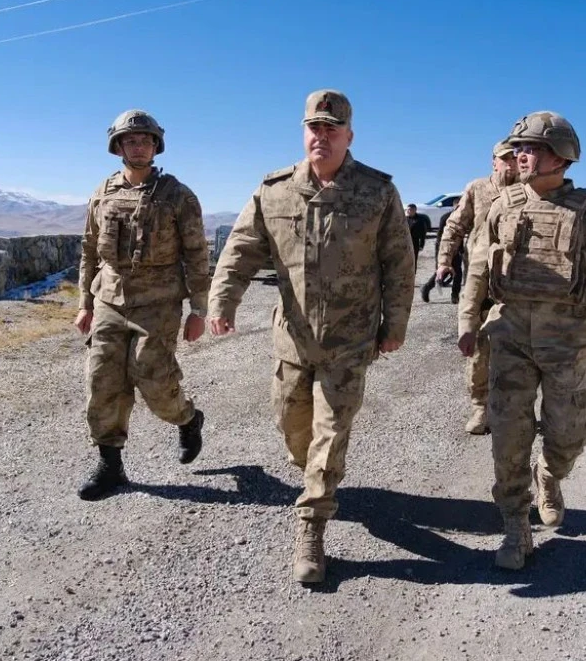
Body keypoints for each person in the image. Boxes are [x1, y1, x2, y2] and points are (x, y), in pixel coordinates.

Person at [207, 89, 415, 584]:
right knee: (291, 425)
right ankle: (316, 475)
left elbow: (399, 265)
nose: (321, 136)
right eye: (313, 128)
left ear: (349, 135)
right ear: (304, 132)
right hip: (292, 340)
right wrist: (221, 302)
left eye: (331, 128)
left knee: (330, 432)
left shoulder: (377, 192)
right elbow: (240, 251)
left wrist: (395, 326)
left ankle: (312, 526)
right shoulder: (274, 189)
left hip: (350, 339)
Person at [458, 111, 586, 570]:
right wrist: (466, 323)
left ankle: (551, 474)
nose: (520, 154)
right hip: (510, 336)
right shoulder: (502, 204)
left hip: (568, 342)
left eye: (531, 148)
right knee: (508, 437)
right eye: (518, 147)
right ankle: (516, 528)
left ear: (560, 157)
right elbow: (478, 269)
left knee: (568, 433)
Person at [74, 109, 209, 501]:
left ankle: (187, 418)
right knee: (102, 385)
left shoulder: (178, 196)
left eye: (145, 140)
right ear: (118, 146)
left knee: (155, 383)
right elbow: (87, 252)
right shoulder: (102, 193)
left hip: (159, 303)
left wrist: (198, 310)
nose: (138, 146)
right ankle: (111, 467)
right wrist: (84, 303)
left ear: (156, 146)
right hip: (109, 301)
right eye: (130, 140)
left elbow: (197, 255)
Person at [434, 139, 518, 433]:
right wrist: (445, 260)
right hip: (480, 276)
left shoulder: (530, 191)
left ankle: (513, 408)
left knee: (518, 347)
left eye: (515, 157)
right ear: (494, 161)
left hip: (518, 280)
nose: (511, 163)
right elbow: (455, 226)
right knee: (477, 345)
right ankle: (480, 407)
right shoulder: (478, 188)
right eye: (505, 158)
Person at [420, 212, 464, 304]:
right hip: (443, 248)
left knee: (458, 273)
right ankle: (426, 288)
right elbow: (440, 234)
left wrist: (461, 248)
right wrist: (442, 252)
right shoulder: (446, 217)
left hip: (456, 249)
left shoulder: (462, 217)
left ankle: (455, 295)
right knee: (442, 272)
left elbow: (461, 235)